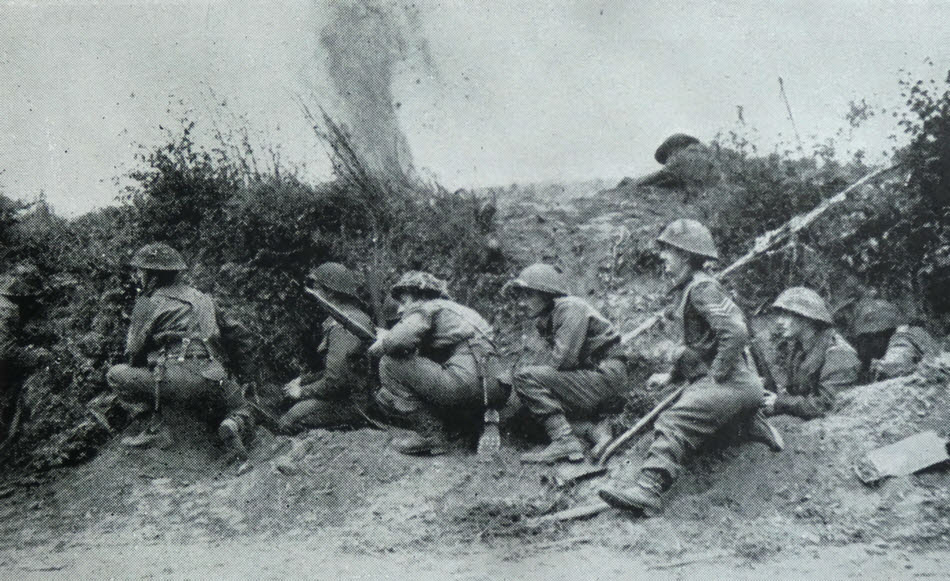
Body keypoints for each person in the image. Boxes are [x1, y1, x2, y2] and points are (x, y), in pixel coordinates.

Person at [598, 219, 780, 516]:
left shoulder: (702, 289)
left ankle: (648, 489)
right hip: (736, 386)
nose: (663, 258)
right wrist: (671, 376)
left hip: (735, 382)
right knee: (702, 427)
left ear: (685, 255)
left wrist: (717, 376)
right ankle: (747, 423)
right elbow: (699, 348)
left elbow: (735, 332)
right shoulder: (689, 291)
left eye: (668, 251)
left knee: (674, 420)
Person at [106, 243, 254, 458]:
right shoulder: (205, 299)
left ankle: (155, 429)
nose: (138, 276)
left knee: (116, 375)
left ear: (151, 275)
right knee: (243, 408)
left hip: (178, 380)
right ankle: (233, 423)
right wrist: (244, 376)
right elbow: (239, 336)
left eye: (140, 271)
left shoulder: (146, 304)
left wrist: (152, 359)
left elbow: (133, 353)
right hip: (215, 377)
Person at [368, 271, 507, 455]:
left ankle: (432, 435)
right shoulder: (458, 312)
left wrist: (382, 343)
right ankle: (471, 426)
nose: (400, 310)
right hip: (498, 385)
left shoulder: (427, 308)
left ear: (421, 296)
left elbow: (398, 340)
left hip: (465, 380)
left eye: (404, 302)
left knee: (389, 364)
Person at [507, 263, 627, 464]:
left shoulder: (570, 307)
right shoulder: (550, 317)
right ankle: (594, 431)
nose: (522, 302)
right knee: (526, 410)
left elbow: (563, 361)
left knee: (524, 377)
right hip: (592, 379)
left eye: (528, 295)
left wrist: (527, 381)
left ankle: (564, 439)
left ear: (546, 294)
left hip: (605, 376)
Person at [278, 262, 373, 434]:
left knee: (288, 421)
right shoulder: (352, 317)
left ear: (329, 292)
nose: (314, 294)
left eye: (317, 288)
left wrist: (302, 392)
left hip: (355, 405)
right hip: (357, 396)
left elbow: (337, 381)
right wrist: (304, 380)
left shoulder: (343, 326)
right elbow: (345, 370)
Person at [762, 287, 860, 420]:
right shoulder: (799, 349)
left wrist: (781, 403)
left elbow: (827, 406)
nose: (779, 321)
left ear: (807, 317)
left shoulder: (839, 355)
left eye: (787, 314)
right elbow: (796, 391)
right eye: (780, 314)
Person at [850, 298, 937, 382]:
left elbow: (893, 366)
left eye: (865, 340)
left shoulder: (904, 337)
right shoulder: (911, 332)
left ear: (876, 335)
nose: (861, 349)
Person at [634, 134, 720, 198]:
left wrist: (636, 182)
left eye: (668, 157)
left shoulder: (684, 155)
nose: (668, 161)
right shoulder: (704, 154)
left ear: (672, 150)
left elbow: (665, 173)